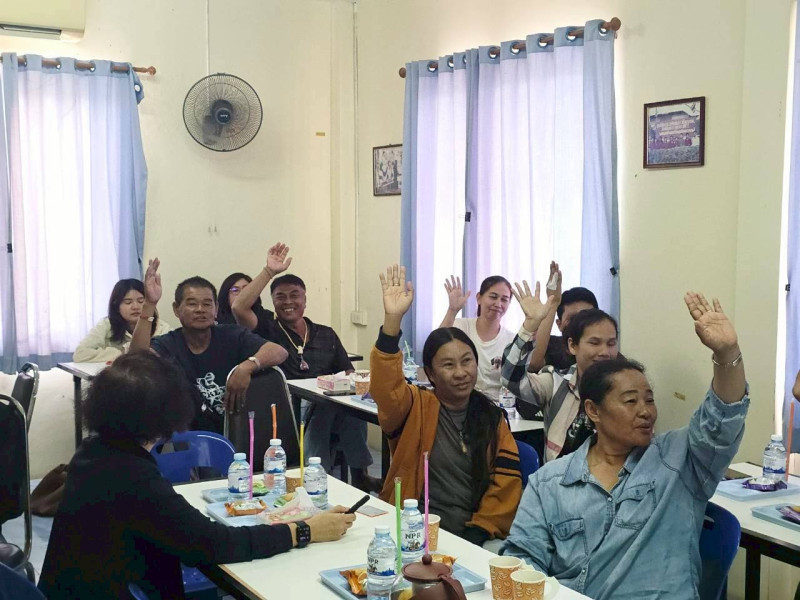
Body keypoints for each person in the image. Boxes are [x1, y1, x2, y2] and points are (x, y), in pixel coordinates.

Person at [38, 352, 355, 600]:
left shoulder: (94, 451)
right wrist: (303, 531)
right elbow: (213, 543)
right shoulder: (133, 478)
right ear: (166, 412)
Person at [501, 292, 748, 600]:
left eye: (650, 400)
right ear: (593, 411)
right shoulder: (550, 483)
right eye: (630, 401)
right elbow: (523, 558)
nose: (646, 411)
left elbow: (722, 419)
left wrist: (727, 354)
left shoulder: (679, 461)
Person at [371, 264, 521, 545]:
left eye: (467, 361)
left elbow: (506, 483)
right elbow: (385, 388)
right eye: (448, 365)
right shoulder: (414, 406)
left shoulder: (491, 416)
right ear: (430, 373)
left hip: (475, 532)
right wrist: (392, 322)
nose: (461, 373)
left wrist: (479, 530)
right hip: (412, 527)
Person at [231, 243, 379, 493]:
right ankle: (316, 477)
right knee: (324, 408)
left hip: (328, 403)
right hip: (288, 409)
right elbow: (238, 307)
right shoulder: (267, 328)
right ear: (273, 302)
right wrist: (269, 271)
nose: (288, 302)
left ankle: (359, 474)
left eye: (295, 295)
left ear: (305, 300)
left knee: (350, 408)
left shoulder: (325, 333)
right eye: (281, 297)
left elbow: (348, 371)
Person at [129, 258, 288, 434]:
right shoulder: (169, 343)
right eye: (192, 303)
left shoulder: (231, 335)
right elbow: (136, 362)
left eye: (207, 304)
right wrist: (149, 304)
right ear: (176, 309)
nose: (200, 309)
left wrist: (247, 366)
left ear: (216, 308)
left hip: (237, 435)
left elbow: (279, 352)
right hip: (188, 436)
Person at [501, 281, 618, 462]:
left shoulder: (626, 383)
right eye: (594, 343)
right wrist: (530, 326)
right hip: (559, 476)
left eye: (611, 343)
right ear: (573, 345)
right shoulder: (556, 382)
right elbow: (511, 378)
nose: (605, 352)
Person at [439, 274, 516, 401]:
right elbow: (436, 347)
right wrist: (452, 310)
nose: (498, 304)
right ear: (479, 298)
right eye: (493, 297)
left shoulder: (512, 340)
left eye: (504, 299)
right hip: (461, 401)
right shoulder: (461, 326)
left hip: (497, 406)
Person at [525, 262, 599, 373]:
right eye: (573, 318)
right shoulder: (551, 345)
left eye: (586, 316)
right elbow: (533, 364)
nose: (580, 322)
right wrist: (553, 301)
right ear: (559, 324)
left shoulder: (606, 349)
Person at [74, 279, 170, 362]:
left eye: (141, 301)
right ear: (116, 306)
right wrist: (123, 353)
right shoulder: (106, 324)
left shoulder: (161, 327)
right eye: (128, 302)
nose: (135, 307)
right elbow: (80, 354)